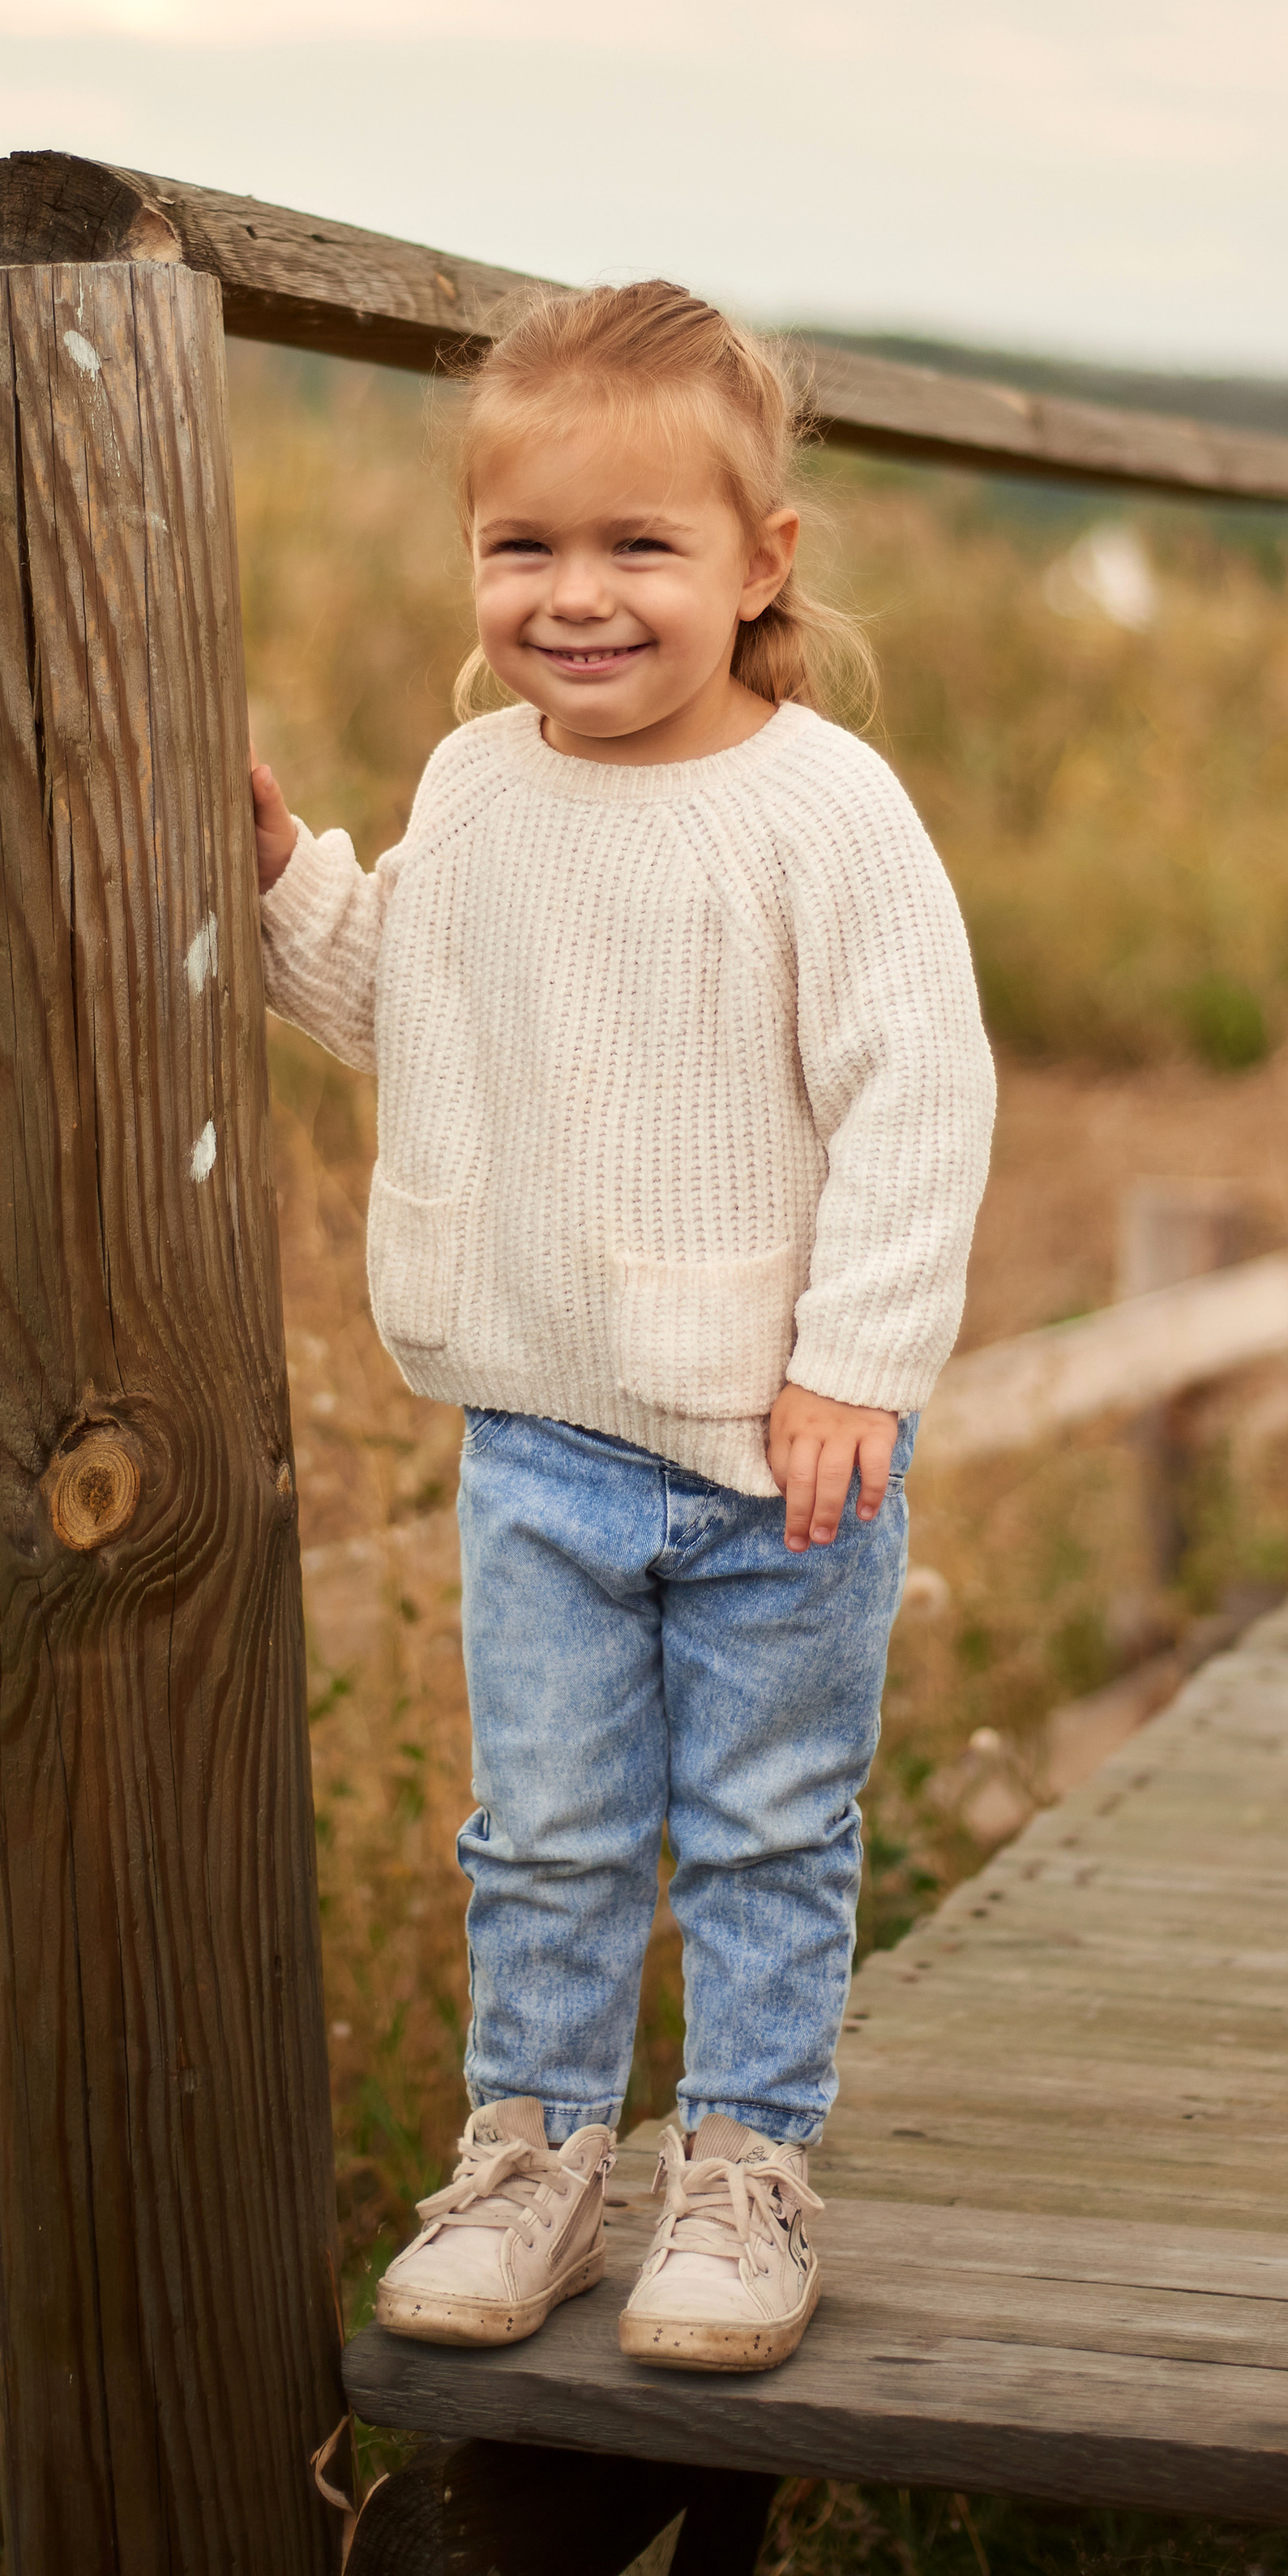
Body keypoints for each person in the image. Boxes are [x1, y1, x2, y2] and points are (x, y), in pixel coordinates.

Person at [250, 281, 994, 2374]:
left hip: (785, 1452)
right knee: (548, 1828)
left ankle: (745, 2167)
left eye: (638, 546)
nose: (576, 597)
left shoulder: (822, 809)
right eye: (525, 547)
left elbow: (918, 1096)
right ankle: (542, 2158)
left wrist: (859, 1358)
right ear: (476, 558)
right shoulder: (477, 784)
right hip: (543, 1437)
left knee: (767, 1824)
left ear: (760, 560)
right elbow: (417, 1005)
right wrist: (290, 871)